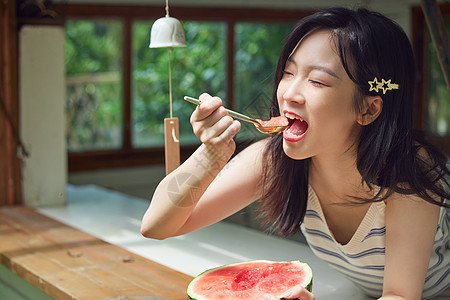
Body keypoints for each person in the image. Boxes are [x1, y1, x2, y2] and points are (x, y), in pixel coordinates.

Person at [141, 7, 450, 300]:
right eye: (288, 73)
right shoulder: (275, 159)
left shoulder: (409, 171)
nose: (288, 93)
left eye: (316, 81)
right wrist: (210, 155)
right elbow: (157, 225)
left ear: (368, 108)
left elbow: (400, 294)